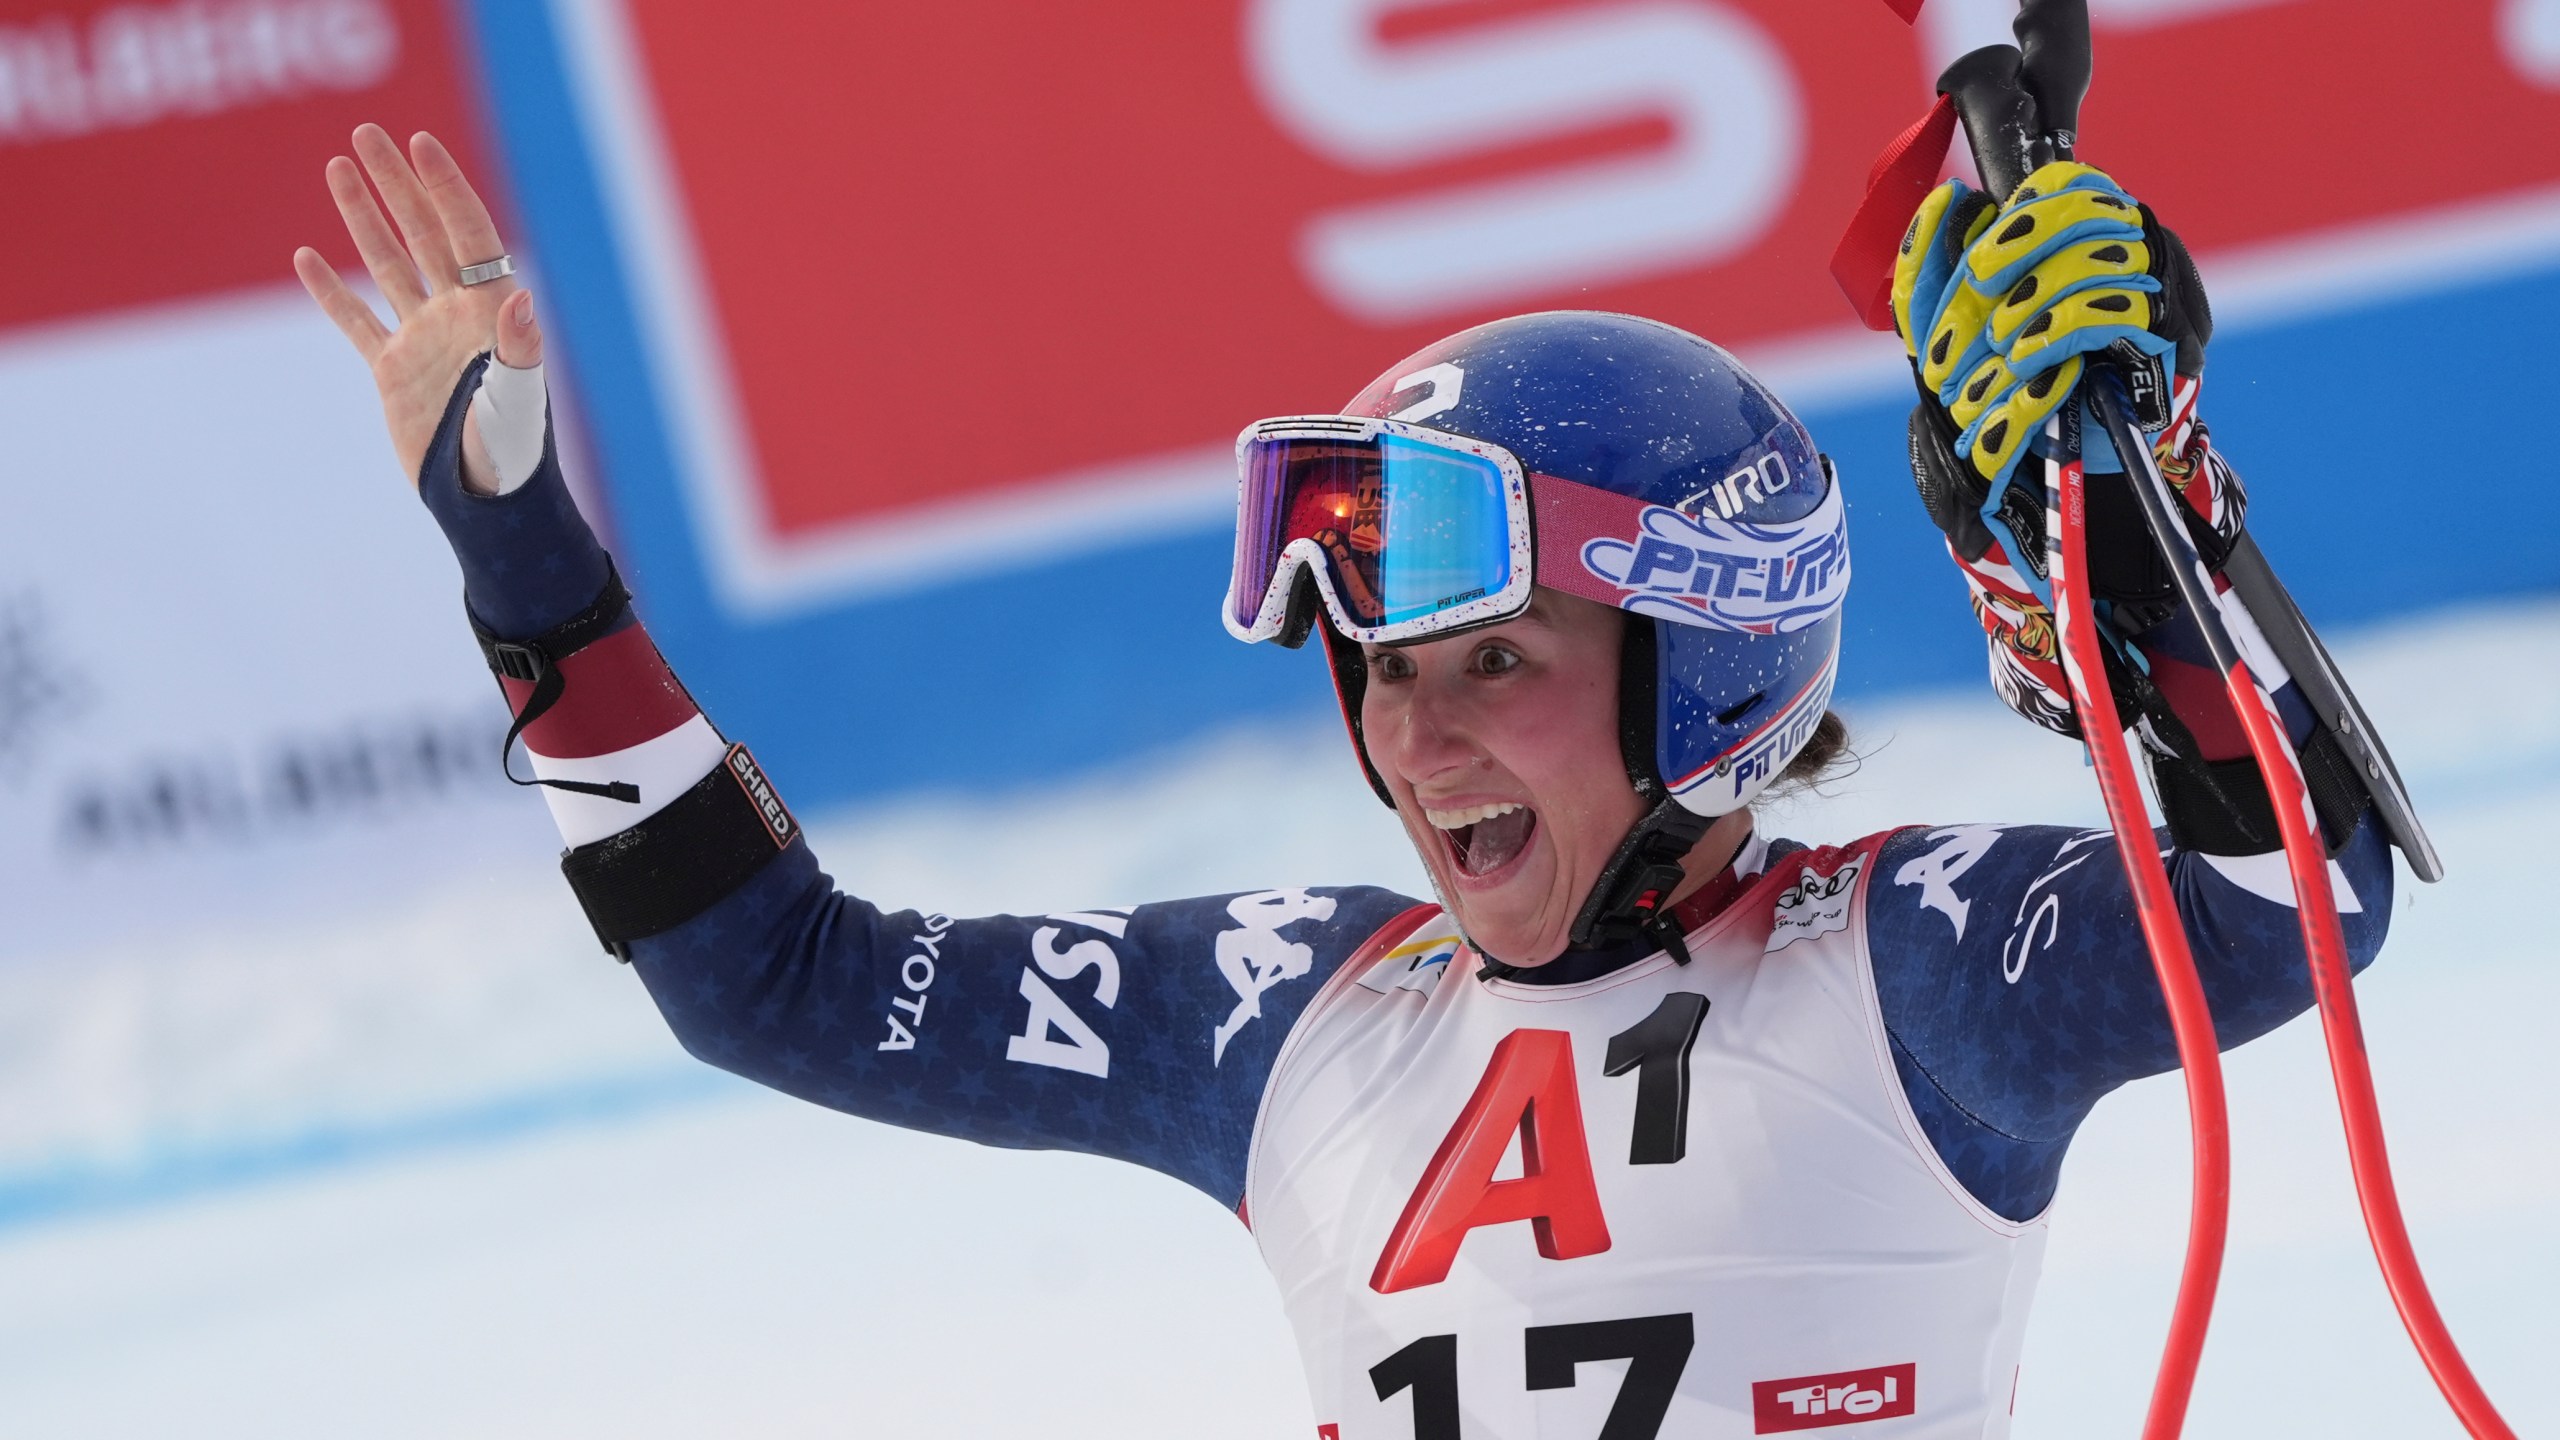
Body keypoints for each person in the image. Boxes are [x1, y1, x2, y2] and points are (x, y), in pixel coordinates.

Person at [297, 125, 2392, 1438]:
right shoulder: (1286, 1007)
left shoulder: (1911, 961)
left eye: (1493, 657)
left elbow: (2284, 897)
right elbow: (779, 979)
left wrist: (2119, 523)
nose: (1413, 737)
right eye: (1380, 673)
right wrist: (524, 553)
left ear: (1708, 663)